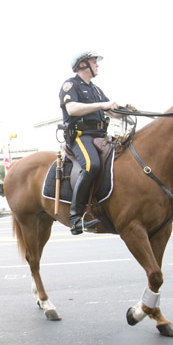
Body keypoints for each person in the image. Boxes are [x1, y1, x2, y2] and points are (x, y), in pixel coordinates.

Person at [59, 51, 134, 235]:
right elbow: (72, 108)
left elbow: (112, 112)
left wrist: (126, 110)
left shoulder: (96, 89)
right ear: (83, 65)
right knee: (91, 165)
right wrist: (102, 105)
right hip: (80, 135)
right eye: (94, 62)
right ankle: (75, 218)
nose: (97, 65)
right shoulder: (71, 85)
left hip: (101, 135)